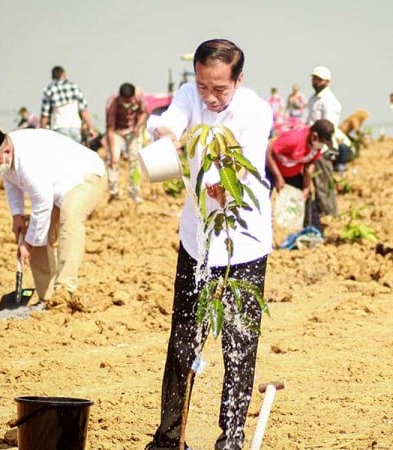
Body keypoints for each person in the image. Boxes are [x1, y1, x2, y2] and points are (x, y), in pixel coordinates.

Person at [144, 38, 273, 450]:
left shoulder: (255, 110)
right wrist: (168, 138)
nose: (210, 96)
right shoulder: (189, 95)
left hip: (243, 243)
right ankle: (170, 436)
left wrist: (213, 186)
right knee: (185, 338)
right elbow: (168, 122)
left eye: (220, 88)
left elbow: (240, 172)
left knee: (238, 343)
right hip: (197, 240)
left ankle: (230, 438)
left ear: (238, 80)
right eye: (203, 86)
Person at [0, 123, 106, 309]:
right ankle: (47, 297)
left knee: (70, 216)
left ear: (8, 151)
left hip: (85, 176)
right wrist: (17, 216)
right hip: (54, 187)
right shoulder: (7, 156)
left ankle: (65, 289)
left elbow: (42, 205)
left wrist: (27, 243)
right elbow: (11, 185)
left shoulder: (28, 160)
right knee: (36, 233)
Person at [266, 118, 335, 231]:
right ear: (314, 136)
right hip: (272, 169)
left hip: (292, 172)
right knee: (264, 199)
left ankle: (313, 231)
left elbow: (309, 165)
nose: (322, 145)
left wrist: (306, 187)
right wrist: (277, 177)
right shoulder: (294, 139)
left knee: (305, 200)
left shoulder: (315, 147)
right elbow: (269, 151)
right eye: (322, 141)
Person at [104, 82, 148, 203]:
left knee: (136, 161)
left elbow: (144, 112)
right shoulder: (112, 103)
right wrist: (113, 152)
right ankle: (114, 193)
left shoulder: (139, 98)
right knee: (113, 161)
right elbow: (110, 129)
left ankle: (134, 192)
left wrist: (138, 126)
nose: (128, 104)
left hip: (133, 131)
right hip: (117, 132)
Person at [306, 65, 351, 173]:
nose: (315, 82)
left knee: (322, 177)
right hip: (312, 143)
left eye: (319, 80)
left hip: (323, 146)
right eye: (314, 79)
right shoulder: (312, 99)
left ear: (327, 82)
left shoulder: (329, 100)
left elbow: (327, 127)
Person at [39, 65, 96, 143]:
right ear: (64, 74)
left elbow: (44, 115)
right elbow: (83, 110)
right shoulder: (74, 87)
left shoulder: (49, 90)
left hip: (59, 128)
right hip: (75, 127)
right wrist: (90, 128)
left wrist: (42, 132)